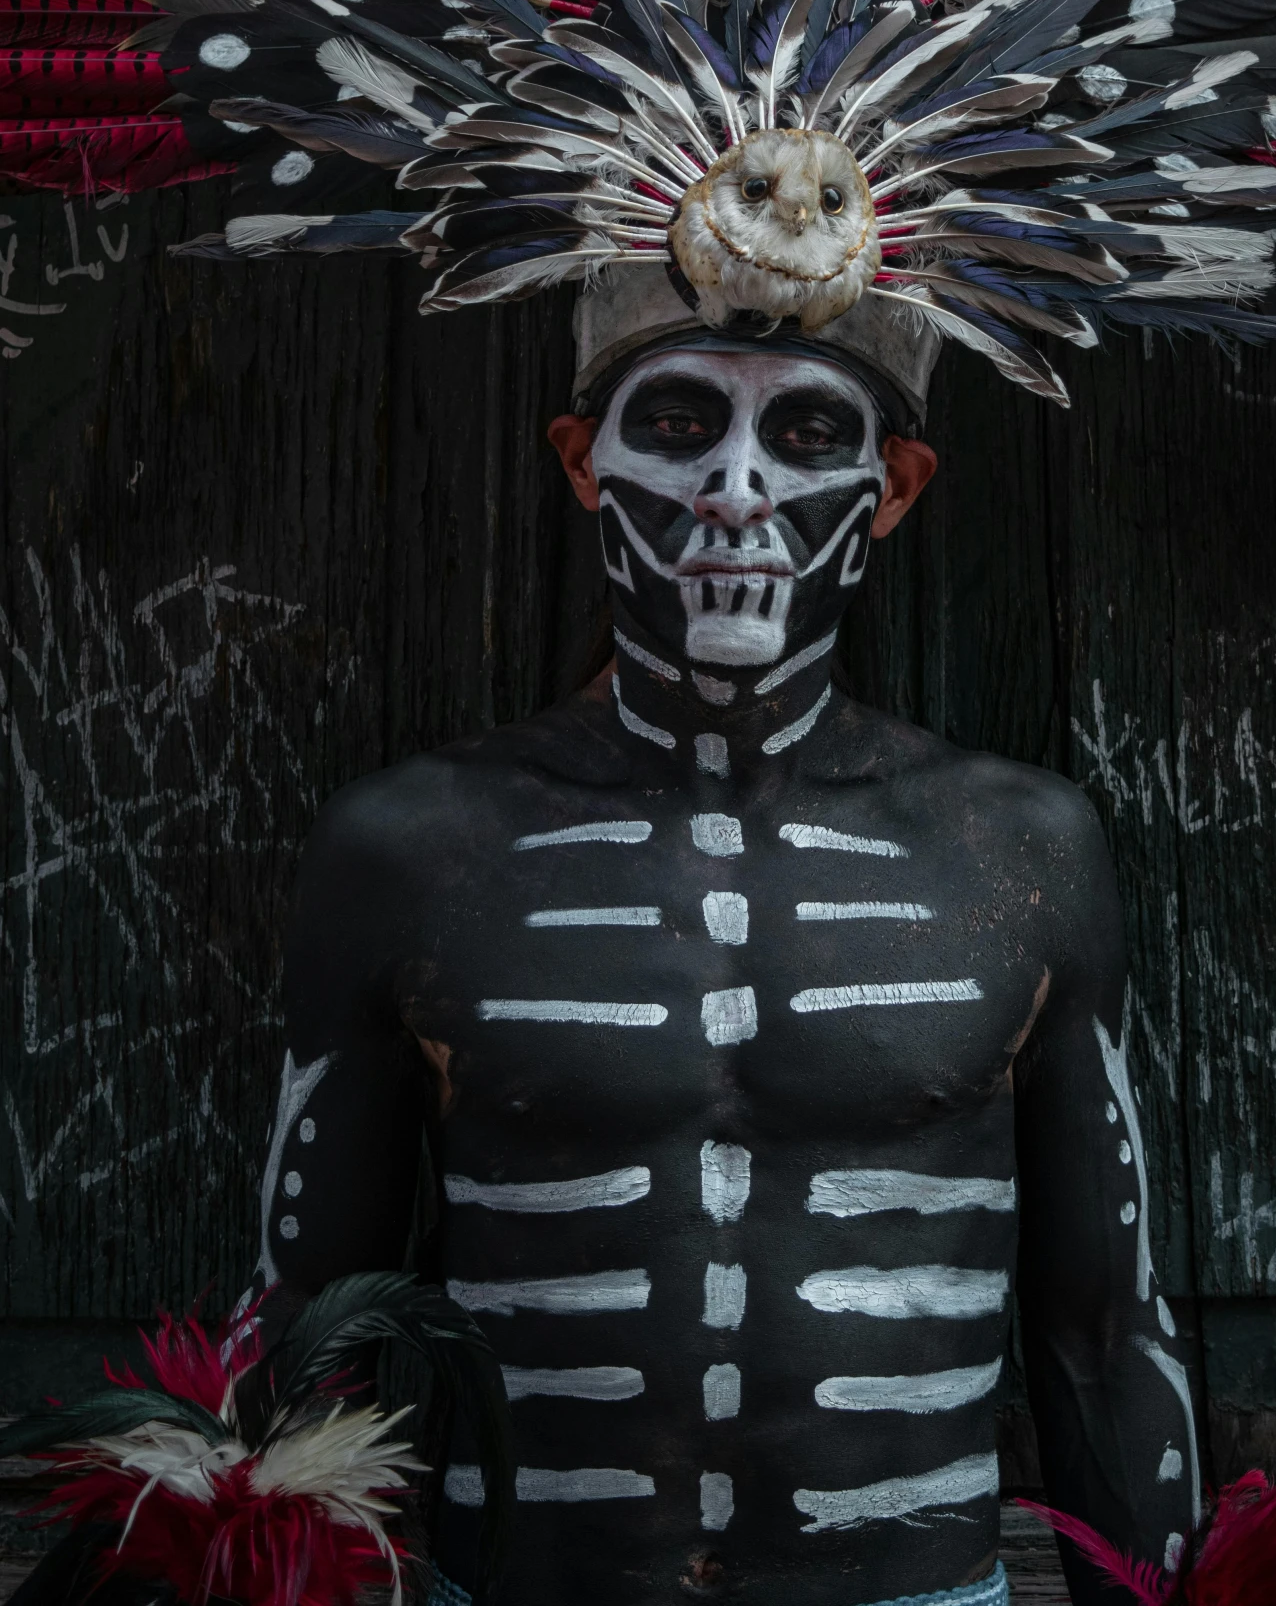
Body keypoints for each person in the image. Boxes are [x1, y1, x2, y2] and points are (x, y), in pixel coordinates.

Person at [237, 273, 1198, 1606]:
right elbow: (303, 1319)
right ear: (582, 462)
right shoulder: (413, 848)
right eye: (679, 426)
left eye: (805, 436)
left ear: (895, 485)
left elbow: (1098, 1331)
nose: (733, 493)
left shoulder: (1017, 852)